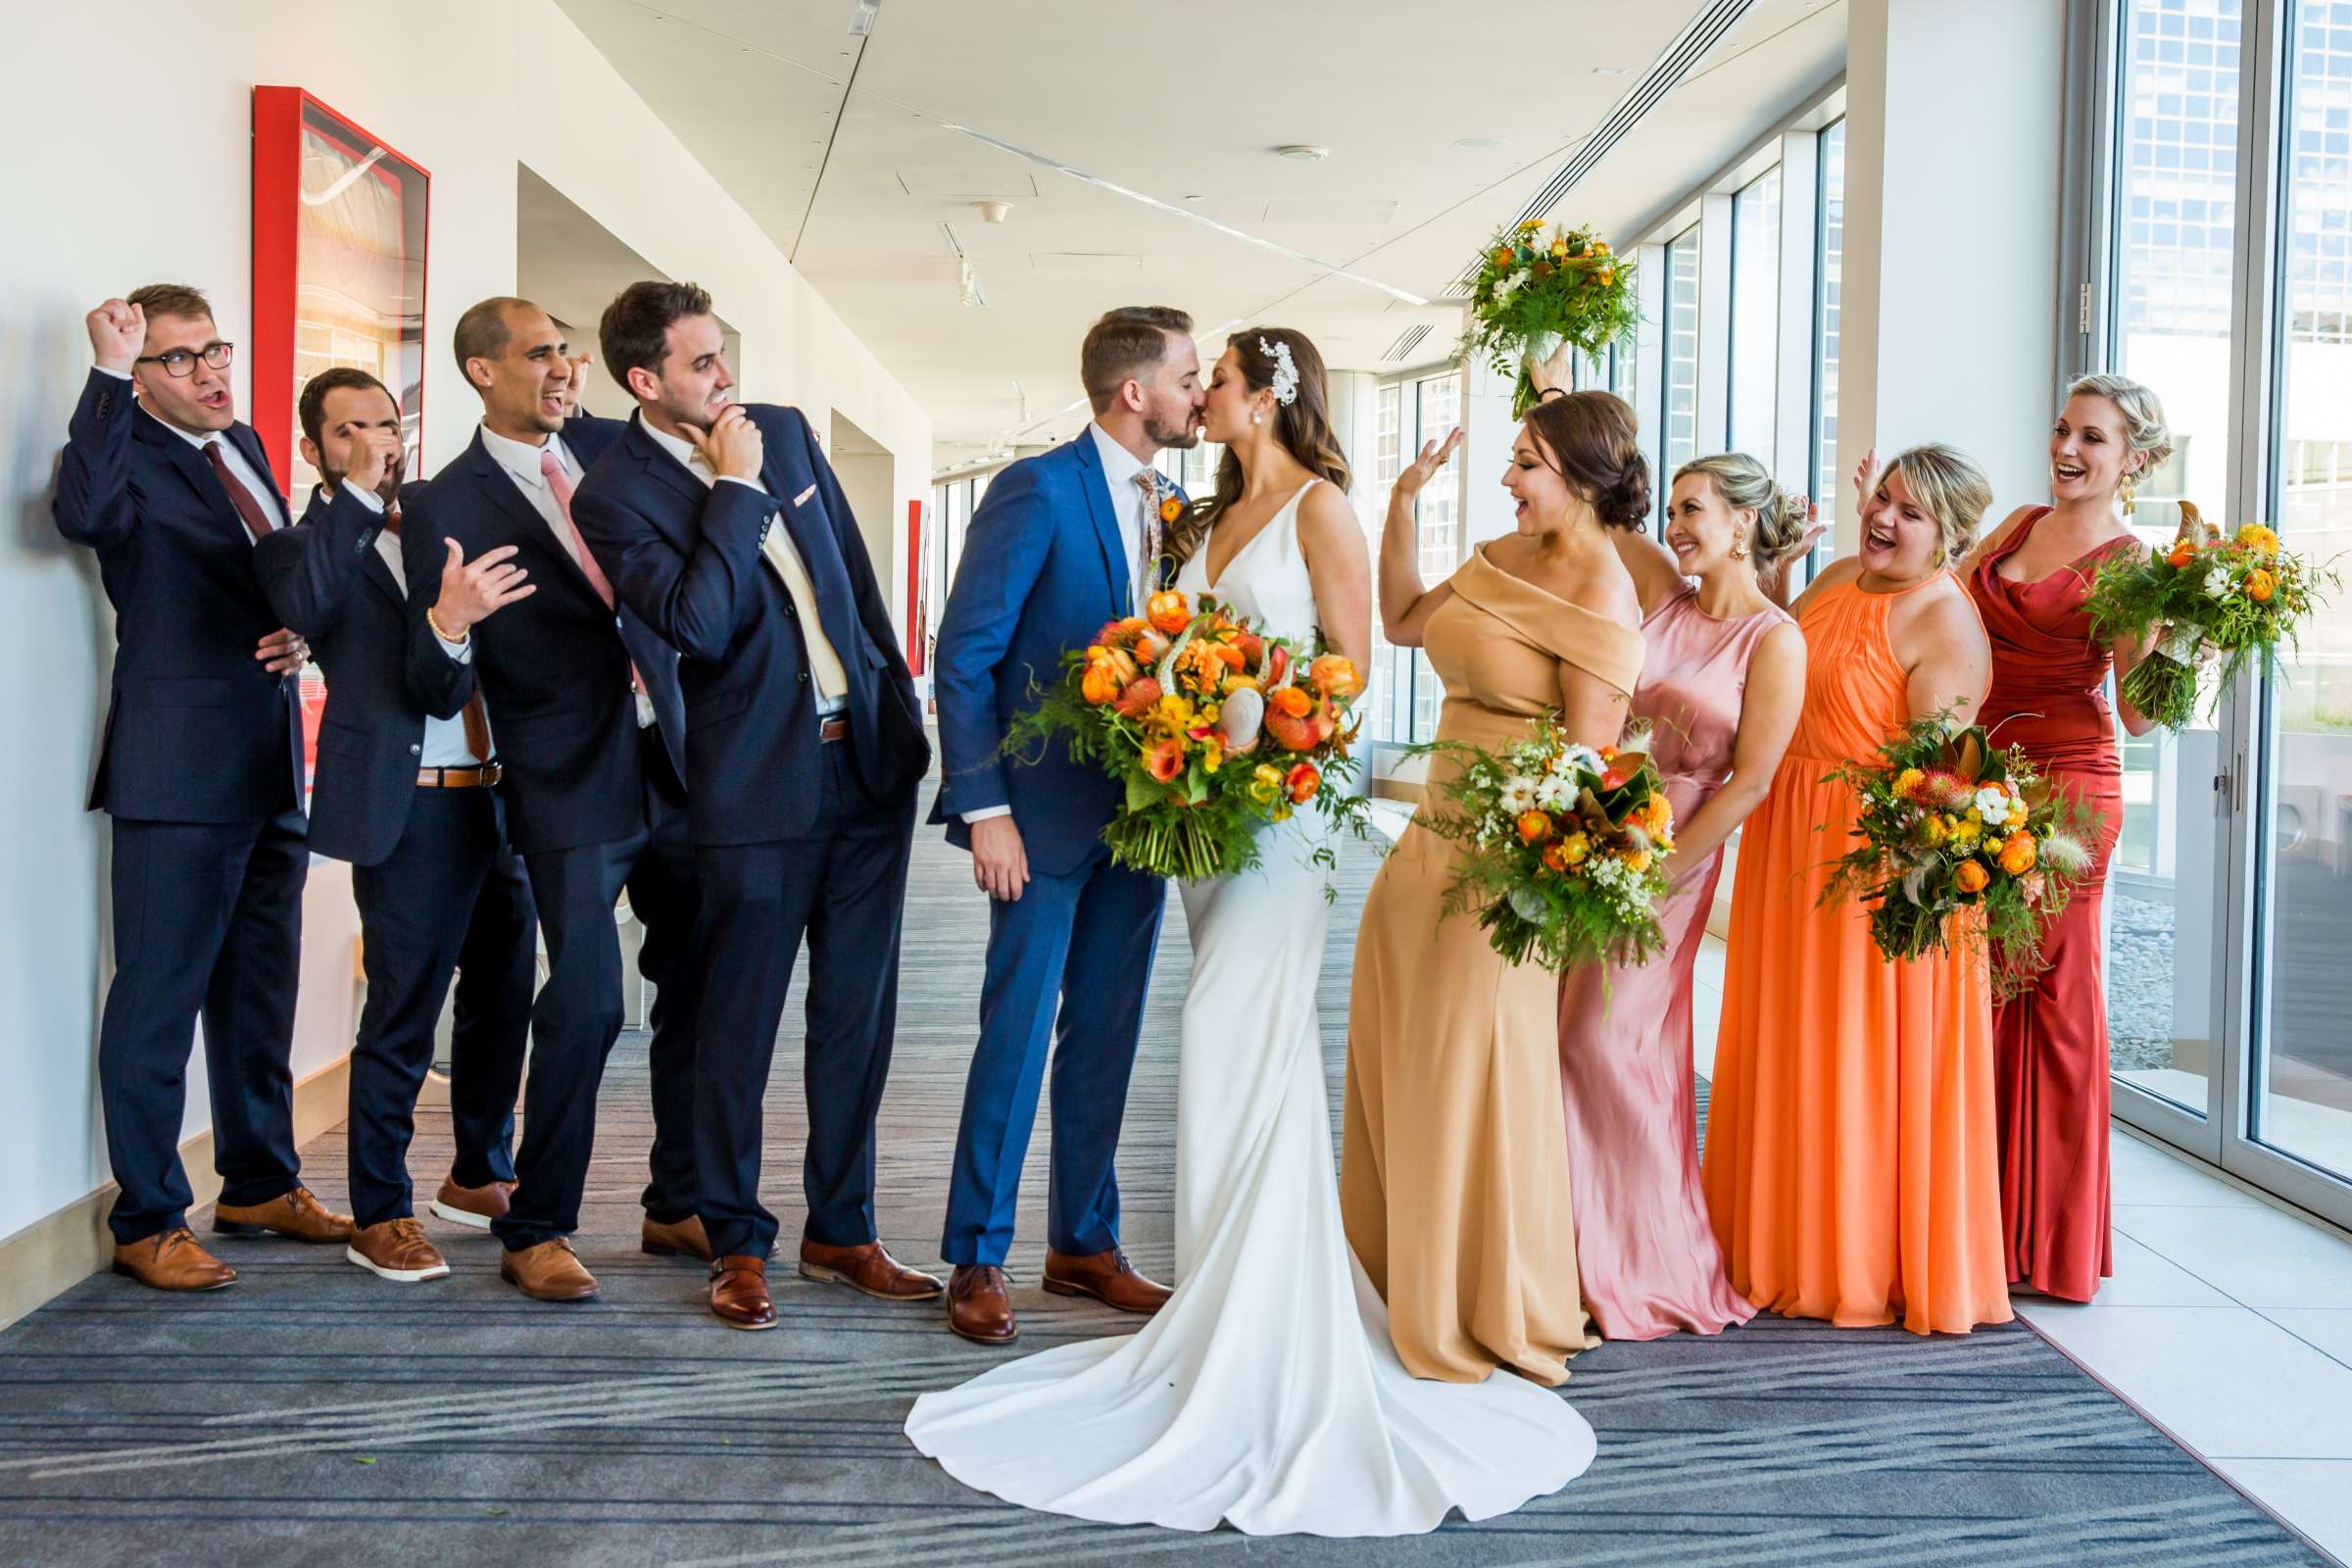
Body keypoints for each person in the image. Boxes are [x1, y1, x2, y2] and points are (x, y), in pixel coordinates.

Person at [907, 332, 1594, 1534]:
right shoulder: (1200, 516)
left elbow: (1350, 675)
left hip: (1277, 820)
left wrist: (1260, 753)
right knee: (1210, 1035)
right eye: (1193, 375)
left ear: (1263, 396)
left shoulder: (1321, 507)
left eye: (1215, 377)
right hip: (1190, 813)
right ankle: (1196, 1289)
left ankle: (1232, 1305)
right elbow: (1125, 652)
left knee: (1228, 1024)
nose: (1201, 392)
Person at [572, 281, 938, 1331]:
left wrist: (898, 713)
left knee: (857, 1016)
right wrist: (734, 491)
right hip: (751, 786)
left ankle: (844, 1226)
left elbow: (851, 583)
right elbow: (698, 620)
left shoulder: (782, 429)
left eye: (722, 355)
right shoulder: (613, 492)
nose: (724, 378)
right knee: (737, 1022)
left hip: (863, 767)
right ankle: (733, 1238)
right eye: (700, 364)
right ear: (645, 382)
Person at [401, 297, 703, 1303]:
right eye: (541, 354)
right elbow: (438, 683)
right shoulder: (444, 502)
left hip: (677, 759)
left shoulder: (620, 449)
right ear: (483, 372)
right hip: (566, 778)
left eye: (567, 352)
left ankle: (676, 1199)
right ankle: (538, 1225)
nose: (565, 369)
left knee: (698, 982)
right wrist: (448, 622)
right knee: (588, 999)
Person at [1342, 390, 1646, 1386]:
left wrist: (1535, 887)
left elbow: (1588, 774)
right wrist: (1399, 503)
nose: (1509, 479)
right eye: (1514, 459)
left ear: (1582, 476)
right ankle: (1396, 1274)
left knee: (1466, 1067)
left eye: (1525, 463)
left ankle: (1478, 1296)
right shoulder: (1493, 558)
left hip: (1506, 870)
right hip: (1423, 841)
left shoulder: (1603, 593)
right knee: (1395, 1050)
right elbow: (1397, 622)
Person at [56, 287, 350, 1292]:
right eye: (180, 360)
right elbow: (81, 514)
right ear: (139, 380)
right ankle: (146, 1217)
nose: (212, 370)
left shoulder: (249, 445)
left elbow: (276, 579)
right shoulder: (122, 453)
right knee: (158, 998)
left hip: (269, 757)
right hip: (176, 768)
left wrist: (305, 631)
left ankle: (260, 1180)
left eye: (214, 348)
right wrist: (103, 374)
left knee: (259, 989)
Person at [928, 307, 1202, 1345]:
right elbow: (965, 655)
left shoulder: (1174, 506)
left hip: (1141, 820)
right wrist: (985, 808)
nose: (1196, 394)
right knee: (1015, 1030)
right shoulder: (1035, 489)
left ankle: (1083, 1241)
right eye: (1184, 376)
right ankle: (978, 1254)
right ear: (1133, 391)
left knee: (1108, 1034)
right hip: (1035, 822)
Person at [1702, 444, 2013, 1335]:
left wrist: (1898, 890)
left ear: (1950, 538)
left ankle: (1854, 1259)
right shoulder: (1839, 574)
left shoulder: (1943, 622)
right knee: (1787, 1037)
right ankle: (1777, 1240)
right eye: (1883, 497)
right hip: (1785, 834)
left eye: (1911, 514)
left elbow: (1940, 784)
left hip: (1868, 866)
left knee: (1852, 1052)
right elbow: (1769, 667)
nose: (1885, 518)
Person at [251, 368, 539, 1283]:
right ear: (315, 451)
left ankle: (481, 1171)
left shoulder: (447, 522)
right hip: (407, 804)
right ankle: (381, 1210)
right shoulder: (304, 548)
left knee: (502, 1001)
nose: (377, 440)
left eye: (386, 423)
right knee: (404, 1015)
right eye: (349, 432)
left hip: (502, 793)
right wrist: (358, 501)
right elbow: (302, 612)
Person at [1557, 451, 1806, 1340]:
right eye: (1672, 509)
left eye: (1693, 509)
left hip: (1676, 853)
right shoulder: (1665, 593)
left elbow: (1751, 782)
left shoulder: (1775, 639)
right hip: (1598, 831)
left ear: (1744, 522)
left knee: (1607, 1042)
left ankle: (1641, 1263)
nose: (1675, 524)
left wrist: (1659, 870)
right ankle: (1563, 1258)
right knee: (1562, 1036)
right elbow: (1598, 494)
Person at [1960, 376, 2169, 1302]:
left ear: (2136, 460)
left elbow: (2141, 713)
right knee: (1977, 990)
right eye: (2062, 429)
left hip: (2072, 787)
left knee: (2049, 994)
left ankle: (2050, 1240)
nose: (2069, 448)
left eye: (2093, 437)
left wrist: (2182, 640)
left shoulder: (2133, 564)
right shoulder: (2013, 524)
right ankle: (1971, 1217)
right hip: (1979, 772)